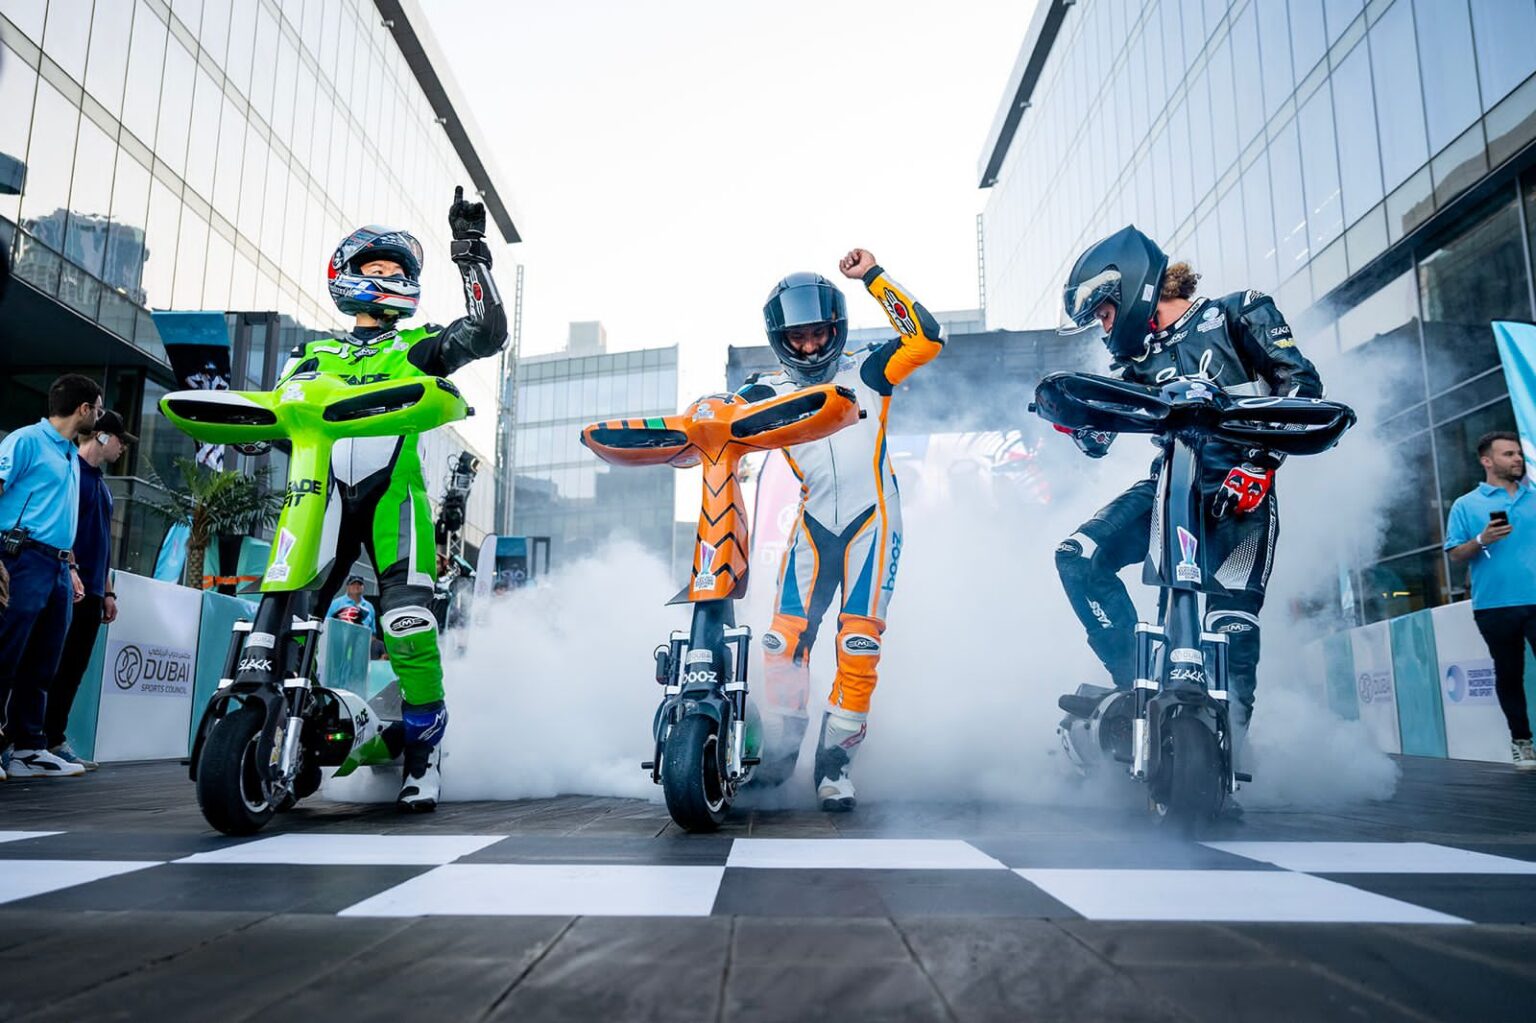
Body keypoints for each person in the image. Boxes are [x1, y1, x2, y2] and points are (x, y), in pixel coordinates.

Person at [270, 187, 507, 810]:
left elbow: (488, 333)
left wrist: (469, 253)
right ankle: (285, 742)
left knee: (408, 629)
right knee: (288, 626)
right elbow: (274, 415)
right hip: (316, 499)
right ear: (346, 276)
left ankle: (424, 757)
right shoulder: (310, 353)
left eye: (397, 271)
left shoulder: (417, 346)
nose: (387, 278)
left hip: (394, 505)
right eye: (375, 268)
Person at [1053, 226, 1322, 775]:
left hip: (1241, 490)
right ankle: (1137, 687)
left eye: (1104, 314)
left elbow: (1302, 388)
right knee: (1078, 556)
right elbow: (1098, 442)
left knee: (1231, 624)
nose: (1104, 328)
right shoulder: (1134, 366)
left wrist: (1261, 462)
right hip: (1168, 487)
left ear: (1130, 291)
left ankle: (1230, 754)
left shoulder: (1238, 311)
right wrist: (1075, 420)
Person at [737, 248, 944, 811]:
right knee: (782, 643)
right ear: (780, 339)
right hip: (812, 526)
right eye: (797, 337)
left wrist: (873, 277)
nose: (809, 347)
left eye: (819, 333)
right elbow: (713, 419)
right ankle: (777, 762)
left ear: (837, 329)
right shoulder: (764, 391)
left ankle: (834, 769)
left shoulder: (870, 370)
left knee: (858, 644)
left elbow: (927, 338)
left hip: (873, 522)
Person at [0, 375, 102, 779]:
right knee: (5, 651)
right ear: (83, 409)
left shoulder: (69, 455)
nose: (99, 416)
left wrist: (70, 567)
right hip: (21, 558)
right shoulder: (26, 441)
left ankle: (28, 749)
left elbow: (58, 516)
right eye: (97, 408)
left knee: (43, 661)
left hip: (57, 566)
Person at [45, 410, 136, 771]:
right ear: (102, 436)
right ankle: (28, 740)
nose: (122, 448)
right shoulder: (71, 474)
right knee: (48, 665)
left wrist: (108, 591)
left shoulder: (102, 485)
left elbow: (103, 545)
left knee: (73, 669)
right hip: (66, 585)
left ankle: (53, 739)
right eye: (119, 440)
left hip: (94, 591)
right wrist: (70, 570)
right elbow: (61, 529)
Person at [1444, 431, 1536, 770]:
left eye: (1518, 453)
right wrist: (1482, 539)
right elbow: (1455, 553)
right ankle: (1522, 743)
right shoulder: (1466, 505)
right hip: (1494, 605)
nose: (1517, 459)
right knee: (1509, 674)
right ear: (1487, 461)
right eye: (1508, 454)